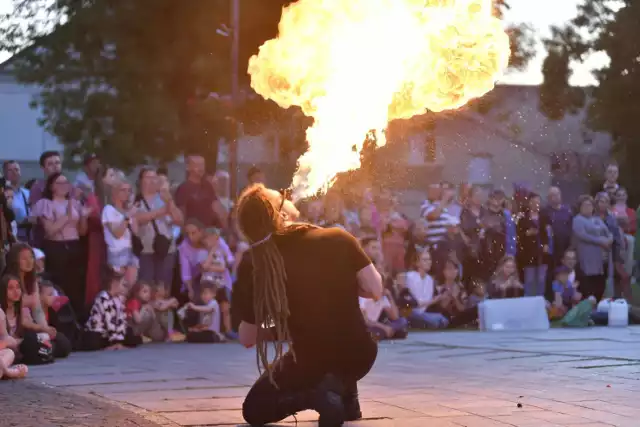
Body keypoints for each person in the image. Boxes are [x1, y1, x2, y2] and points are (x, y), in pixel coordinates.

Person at [233, 184, 381, 427]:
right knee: (339, 338)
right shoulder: (338, 236)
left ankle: (317, 397)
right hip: (360, 354)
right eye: (279, 197)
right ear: (279, 212)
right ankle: (342, 398)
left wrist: (277, 312)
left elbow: (248, 337)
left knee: (254, 409)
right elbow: (375, 290)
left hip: (311, 360)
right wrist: (340, 286)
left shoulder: (255, 262)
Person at [32, 173, 90, 316]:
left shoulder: (75, 203)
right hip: (56, 248)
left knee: (76, 285)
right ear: (52, 186)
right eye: (59, 183)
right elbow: (50, 231)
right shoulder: (45, 204)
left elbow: (82, 232)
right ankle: (60, 319)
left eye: (66, 183)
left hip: (75, 246)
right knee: (59, 285)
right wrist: (67, 215)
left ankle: (77, 320)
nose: (64, 186)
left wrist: (83, 217)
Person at [135, 167, 183, 290]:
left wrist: (170, 202)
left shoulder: (165, 199)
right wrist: (162, 211)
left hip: (166, 250)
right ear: (141, 181)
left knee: (163, 288)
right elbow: (139, 218)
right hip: (146, 251)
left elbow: (179, 220)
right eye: (148, 177)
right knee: (146, 288)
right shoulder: (135, 200)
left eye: (154, 178)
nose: (152, 181)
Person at [82, 269, 140, 351]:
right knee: (92, 340)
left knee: (133, 337)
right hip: (100, 331)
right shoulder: (103, 298)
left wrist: (121, 335)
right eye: (122, 285)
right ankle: (111, 345)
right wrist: (116, 341)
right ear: (114, 284)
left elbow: (121, 320)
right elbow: (109, 322)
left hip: (112, 332)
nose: (124, 288)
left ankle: (116, 343)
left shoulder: (118, 299)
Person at [572, 195, 612, 302]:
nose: (588, 207)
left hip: (599, 258)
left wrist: (609, 239)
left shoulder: (597, 219)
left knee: (600, 284)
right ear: (579, 207)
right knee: (588, 285)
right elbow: (582, 235)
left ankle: (597, 307)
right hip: (587, 256)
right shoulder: (577, 220)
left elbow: (607, 232)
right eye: (585, 205)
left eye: (590, 205)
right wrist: (601, 241)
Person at [405, 250, 449, 329]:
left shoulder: (429, 279)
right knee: (435, 322)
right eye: (425, 260)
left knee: (444, 320)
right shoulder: (410, 277)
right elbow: (416, 304)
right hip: (411, 312)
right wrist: (434, 300)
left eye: (429, 259)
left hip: (422, 313)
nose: (429, 262)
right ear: (417, 263)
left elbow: (425, 303)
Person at [516, 193, 549, 297]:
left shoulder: (544, 217)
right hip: (528, 253)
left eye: (538, 202)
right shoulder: (522, 218)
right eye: (534, 202)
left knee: (541, 279)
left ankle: (540, 300)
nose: (536, 204)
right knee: (529, 280)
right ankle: (528, 300)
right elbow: (517, 234)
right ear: (529, 203)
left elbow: (548, 233)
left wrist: (546, 244)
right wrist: (527, 233)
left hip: (542, 253)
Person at [3, 160, 31, 242]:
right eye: (10, 170)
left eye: (16, 169)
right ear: (4, 173)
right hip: (10, 237)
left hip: (29, 236)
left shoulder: (27, 193)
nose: (14, 172)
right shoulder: (2, 194)